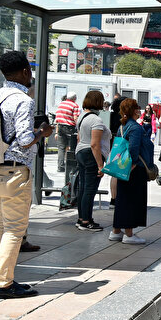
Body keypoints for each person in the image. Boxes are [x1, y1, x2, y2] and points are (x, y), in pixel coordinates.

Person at [0, 51, 53, 298]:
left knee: (0, 226)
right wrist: (43, 132)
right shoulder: (23, 100)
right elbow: (26, 139)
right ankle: (3, 283)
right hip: (16, 170)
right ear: (26, 71)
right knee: (15, 229)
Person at [109, 99, 154, 245]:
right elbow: (134, 149)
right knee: (131, 201)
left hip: (123, 167)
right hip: (134, 169)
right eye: (138, 107)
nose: (140, 110)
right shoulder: (135, 127)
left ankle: (116, 231)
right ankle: (129, 234)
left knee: (122, 199)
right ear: (134, 110)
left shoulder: (123, 126)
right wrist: (133, 164)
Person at [74, 90, 112, 231]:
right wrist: (100, 165)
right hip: (91, 155)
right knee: (90, 189)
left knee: (83, 188)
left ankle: (81, 218)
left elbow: (79, 137)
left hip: (81, 152)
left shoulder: (82, 116)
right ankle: (86, 221)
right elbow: (94, 144)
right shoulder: (96, 120)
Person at [54, 91, 80, 172]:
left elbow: (57, 119)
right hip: (70, 127)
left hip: (60, 127)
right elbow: (75, 118)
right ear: (74, 98)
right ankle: (70, 166)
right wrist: (79, 128)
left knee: (61, 148)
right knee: (72, 147)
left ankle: (60, 166)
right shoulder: (75, 105)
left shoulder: (61, 104)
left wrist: (56, 131)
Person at [108, 93, 126, 208]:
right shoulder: (123, 118)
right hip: (121, 144)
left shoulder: (110, 116)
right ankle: (118, 199)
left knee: (114, 174)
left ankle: (113, 199)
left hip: (112, 144)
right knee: (119, 173)